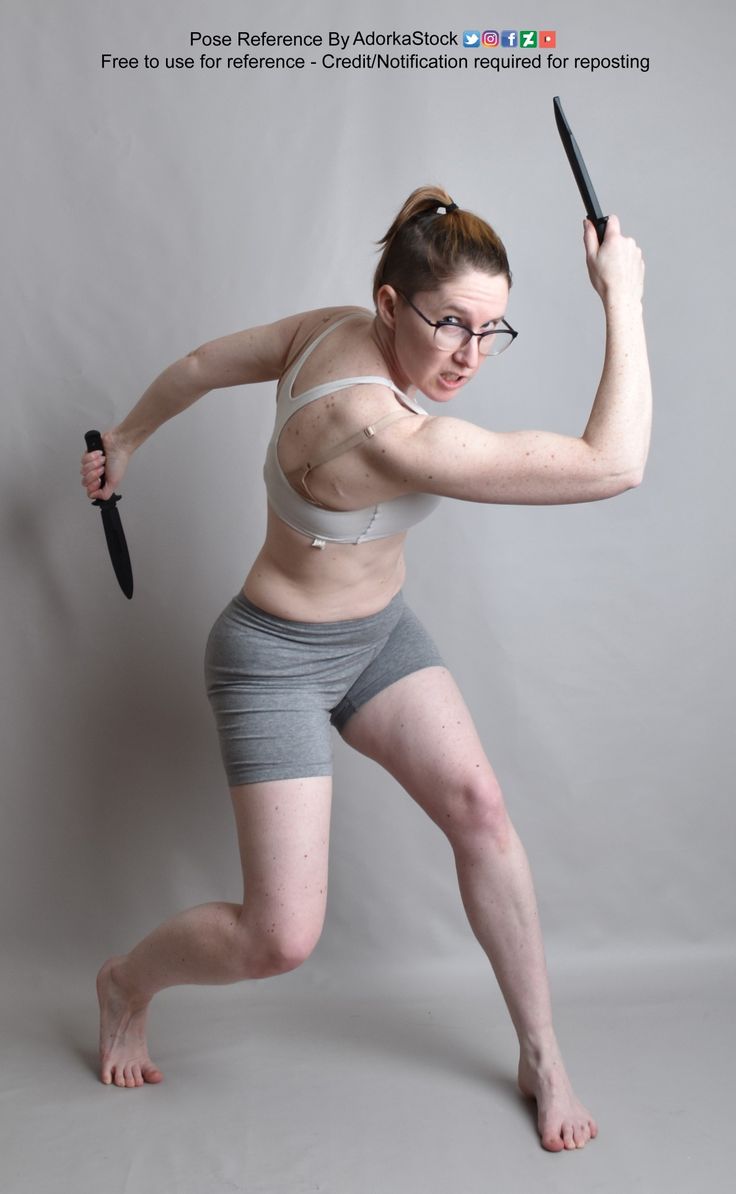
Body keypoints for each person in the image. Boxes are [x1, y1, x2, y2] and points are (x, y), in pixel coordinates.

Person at [80, 186, 649, 1152]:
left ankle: (541, 1052)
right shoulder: (386, 436)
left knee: (478, 806)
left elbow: (199, 364)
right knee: (280, 939)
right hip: (273, 660)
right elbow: (613, 464)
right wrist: (622, 296)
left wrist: (126, 439)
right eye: (450, 326)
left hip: (378, 634)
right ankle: (124, 981)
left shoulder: (330, 327)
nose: (471, 354)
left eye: (490, 327)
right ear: (389, 306)